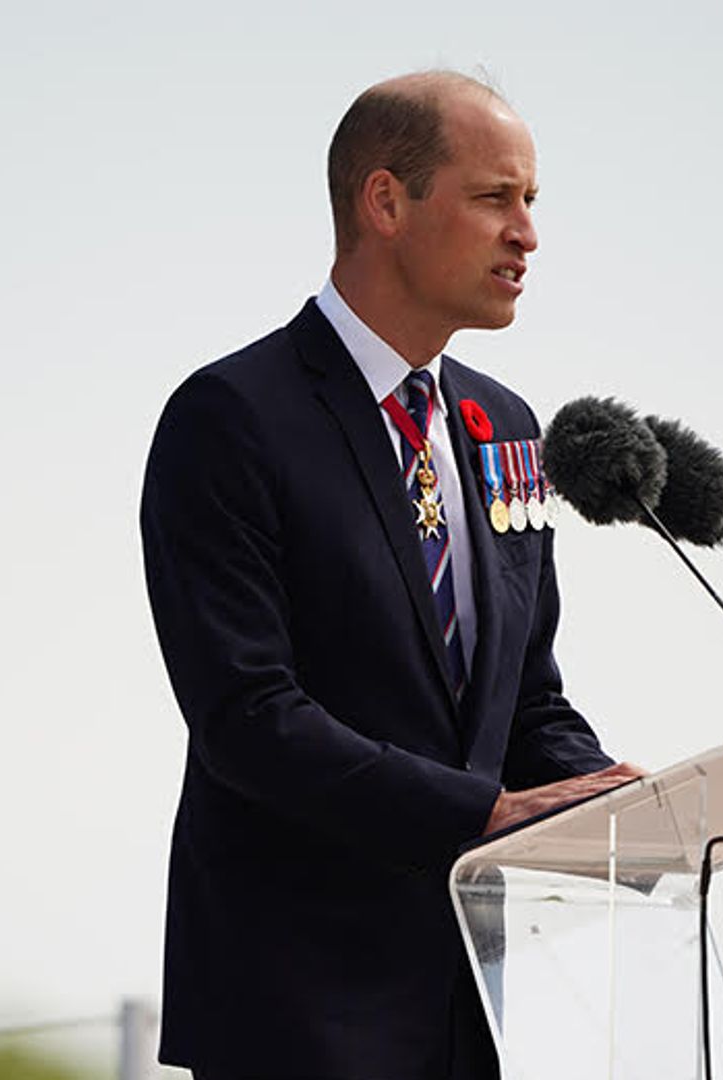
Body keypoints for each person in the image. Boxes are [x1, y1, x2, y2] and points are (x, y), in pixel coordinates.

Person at [140, 71, 641, 1080]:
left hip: (476, 1014)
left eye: (532, 202)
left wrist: (617, 802)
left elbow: (523, 702)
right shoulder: (232, 417)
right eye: (497, 197)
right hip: (297, 1014)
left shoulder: (508, 428)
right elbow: (247, 716)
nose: (528, 234)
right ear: (386, 202)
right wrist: (477, 813)